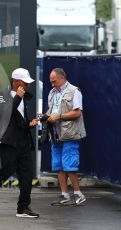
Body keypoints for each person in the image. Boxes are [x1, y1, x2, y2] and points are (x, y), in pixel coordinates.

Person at [0, 68, 40, 218]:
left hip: (22, 140)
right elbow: (6, 113)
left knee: (27, 174)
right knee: (5, 172)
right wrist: (17, 97)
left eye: (28, 84)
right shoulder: (2, 95)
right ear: (16, 82)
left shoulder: (23, 97)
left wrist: (30, 123)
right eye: (25, 83)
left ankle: (23, 207)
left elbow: (18, 119)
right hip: (8, 141)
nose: (27, 86)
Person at [45, 68, 87, 206]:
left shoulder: (75, 91)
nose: (52, 84)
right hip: (56, 134)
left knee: (69, 165)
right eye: (51, 82)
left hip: (70, 134)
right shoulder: (52, 92)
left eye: (54, 81)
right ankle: (65, 195)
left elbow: (77, 113)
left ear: (62, 78)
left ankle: (78, 194)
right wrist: (44, 116)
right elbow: (51, 111)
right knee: (59, 166)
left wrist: (60, 116)